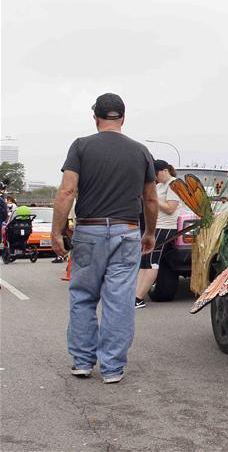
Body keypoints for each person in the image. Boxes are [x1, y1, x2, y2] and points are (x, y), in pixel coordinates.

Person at [51, 93, 157, 384]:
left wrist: (57, 231)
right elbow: (150, 198)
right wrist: (149, 232)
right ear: (123, 117)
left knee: (83, 296)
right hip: (127, 231)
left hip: (89, 230)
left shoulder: (81, 146)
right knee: (119, 300)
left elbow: (67, 192)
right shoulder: (141, 152)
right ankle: (112, 368)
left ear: (95, 117)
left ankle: (83, 362)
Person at [134, 161, 181, 308]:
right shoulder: (160, 186)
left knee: (153, 262)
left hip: (165, 227)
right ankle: (135, 294)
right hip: (154, 226)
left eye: (156, 174)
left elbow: (170, 208)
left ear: (165, 170)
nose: (155, 178)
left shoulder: (174, 184)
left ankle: (139, 298)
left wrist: (153, 200)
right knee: (145, 261)